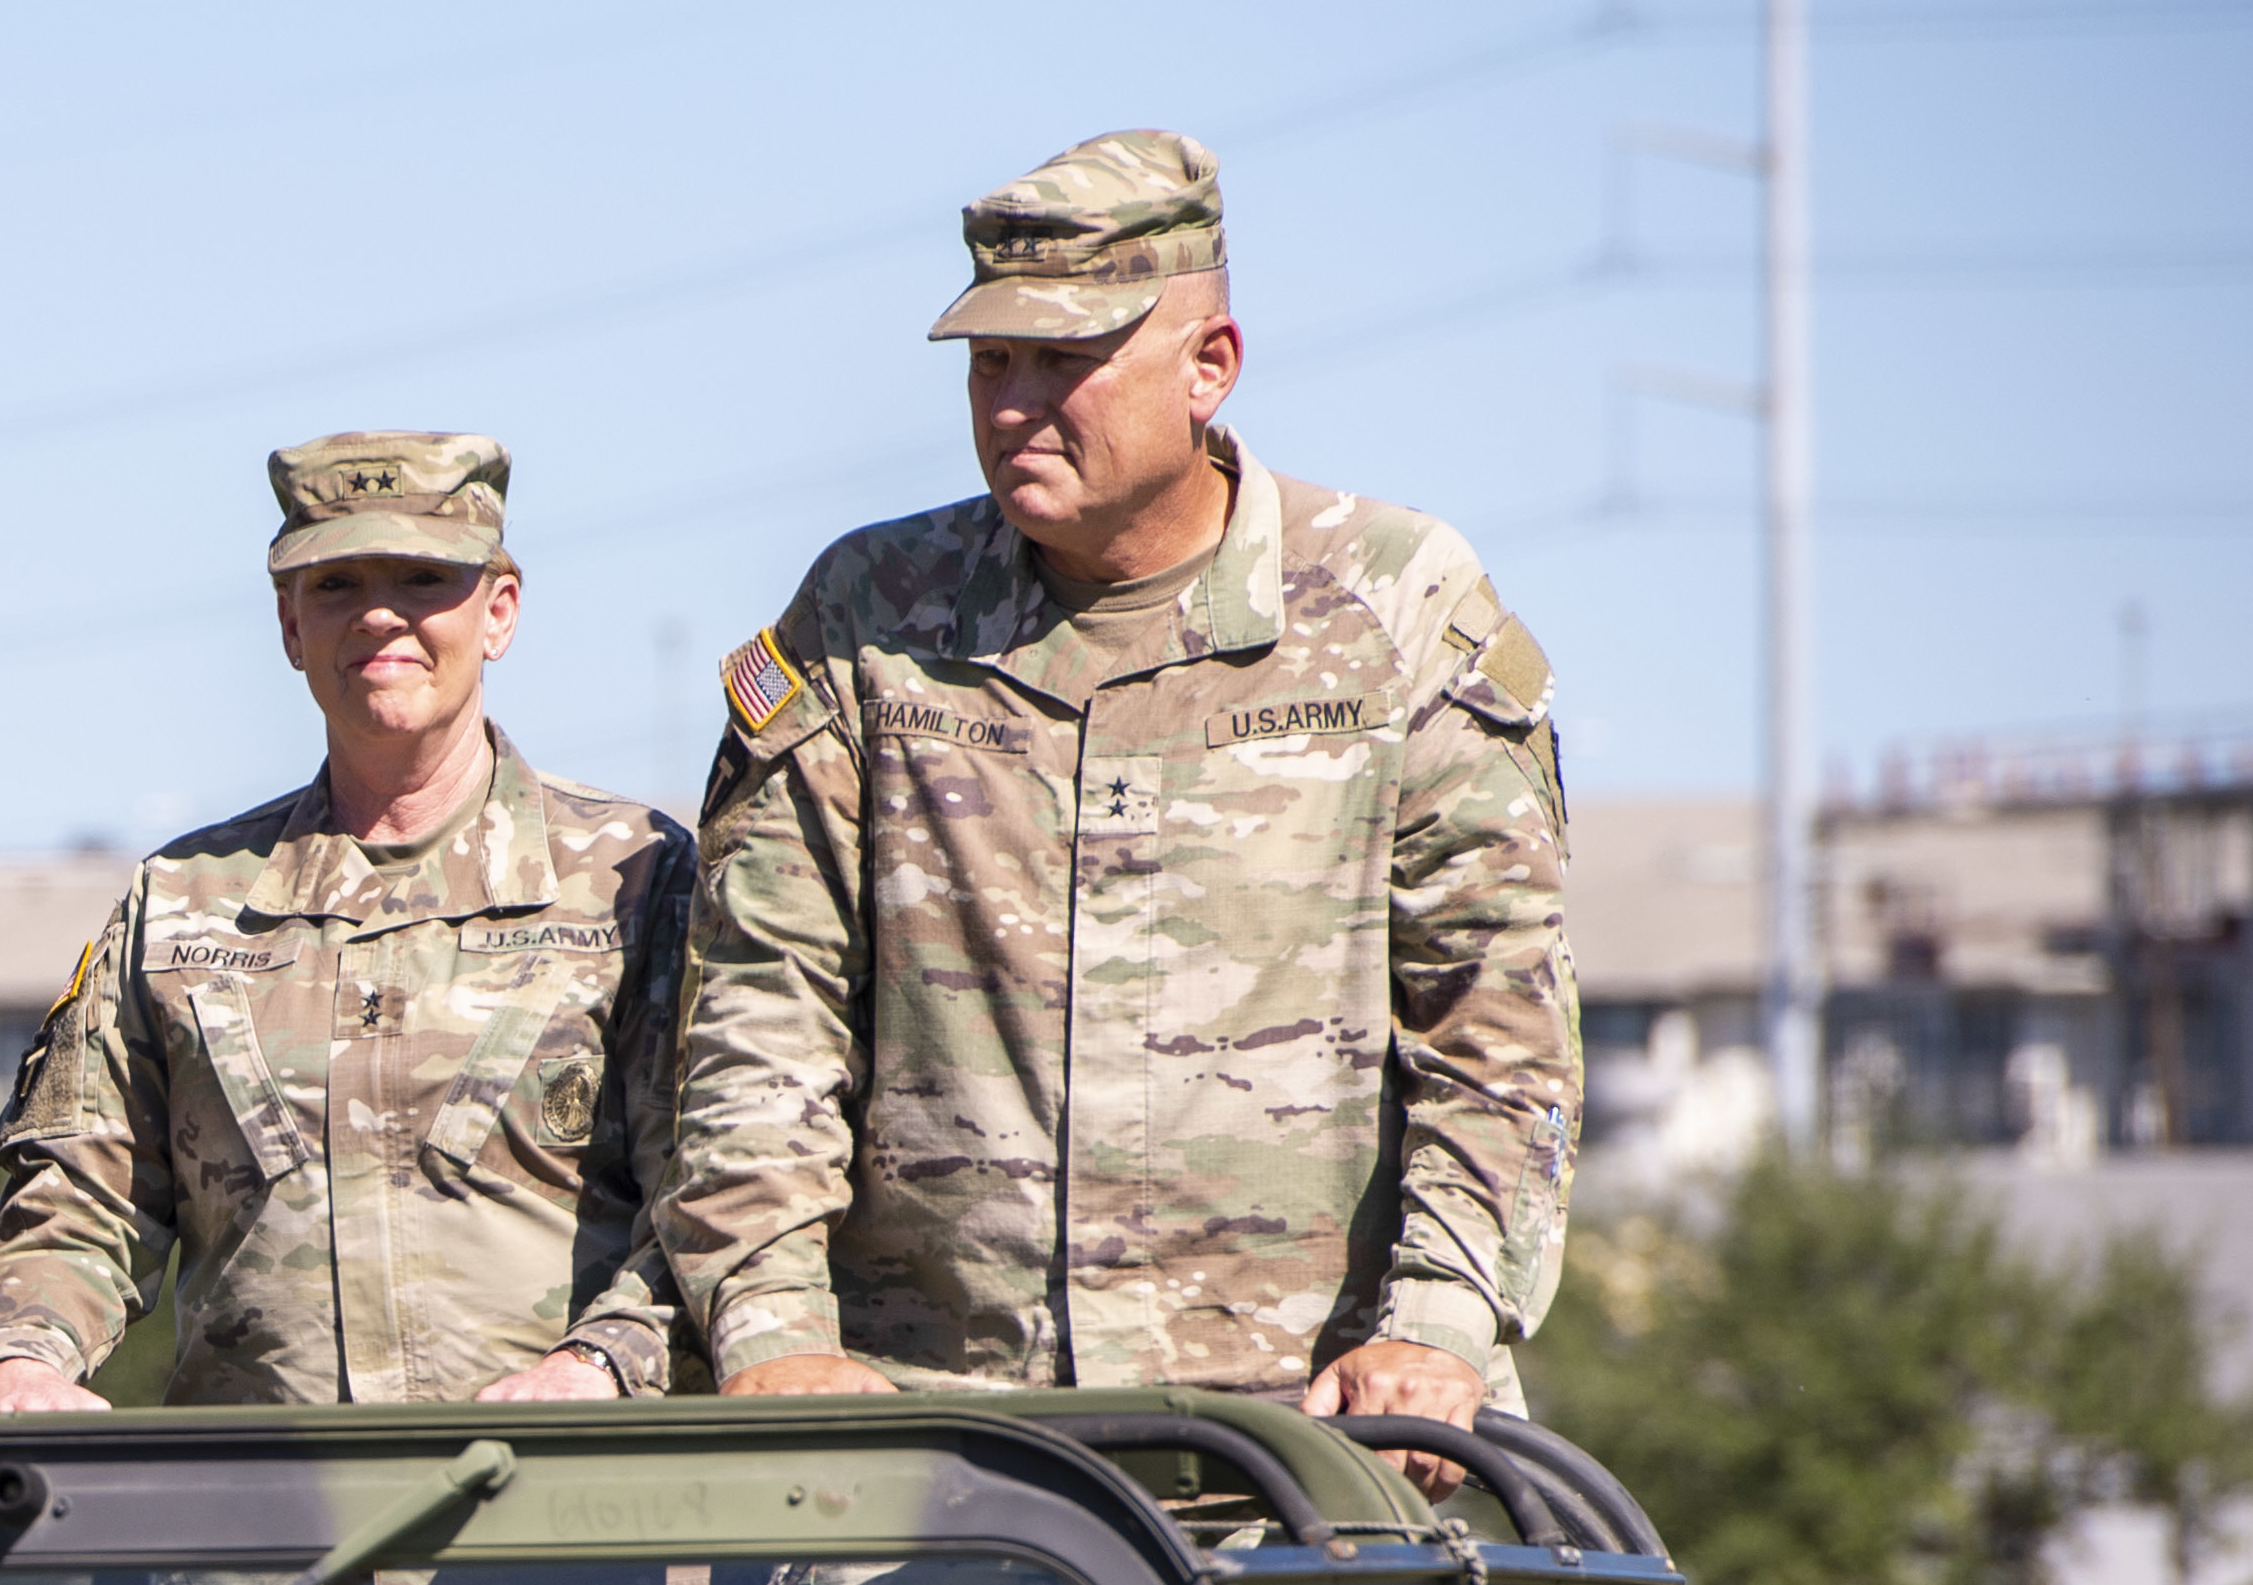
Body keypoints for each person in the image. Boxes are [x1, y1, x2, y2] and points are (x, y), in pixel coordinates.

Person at [0, 433, 713, 1585]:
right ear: (287, 623)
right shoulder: (180, 906)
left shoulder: (636, 884)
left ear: (499, 609)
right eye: (338, 588)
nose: (384, 619)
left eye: (424, 585)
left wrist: (603, 1368)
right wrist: (28, 1353)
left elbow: (724, 1207)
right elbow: (75, 1193)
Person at [664, 131, 1577, 1482]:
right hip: (947, 1456)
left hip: (1324, 1446)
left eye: (1067, 361)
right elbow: (761, 1005)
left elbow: (1496, 1025)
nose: (1018, 404)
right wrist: (773, 1331)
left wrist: (1436, 1327)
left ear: (1210, 365)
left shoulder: (1394, 608)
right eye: (992, 364)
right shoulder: (871, 620)